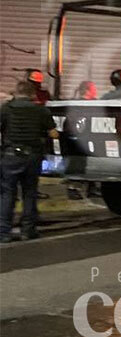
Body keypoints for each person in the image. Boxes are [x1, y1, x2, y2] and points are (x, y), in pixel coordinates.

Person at [1, 81, 58, 242]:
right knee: (30, 193)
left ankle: (4, 233)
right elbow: (53, 133)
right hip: (32, 157)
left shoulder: (6, 109)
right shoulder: (41, 110)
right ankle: (28, 230)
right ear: (33, 94)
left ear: (15, 93)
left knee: (7, 194)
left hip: (10, 156)